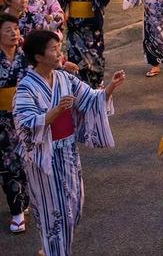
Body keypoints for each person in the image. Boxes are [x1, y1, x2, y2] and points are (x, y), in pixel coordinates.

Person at [14, 29, 125, 256]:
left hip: (67, 151)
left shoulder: (64, 78)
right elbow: (25, 122)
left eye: (58, 48)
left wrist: (110, 87)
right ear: (38, 56)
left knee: (74, 205)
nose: (59, 53)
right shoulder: (26, 86)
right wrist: (55, 111)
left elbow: (90, 99)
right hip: (44, 158)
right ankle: (55, 251)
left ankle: (53, 248)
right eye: (53, 49)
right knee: (54, 212)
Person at [56, 0, 110, 89]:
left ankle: (97, 85)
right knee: (76, 59)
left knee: (95, 58)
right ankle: (79, 87)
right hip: (75, 30)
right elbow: (59, 4)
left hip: (93, 29)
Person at [0, 13, 29, 234]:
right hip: (2, 121)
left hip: (26, 118)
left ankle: (25, 197)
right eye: (8, 29)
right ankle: (16, 211)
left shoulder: (26, 56)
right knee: (8, 166)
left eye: (16, 29)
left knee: (28, 162)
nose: (14, 33)